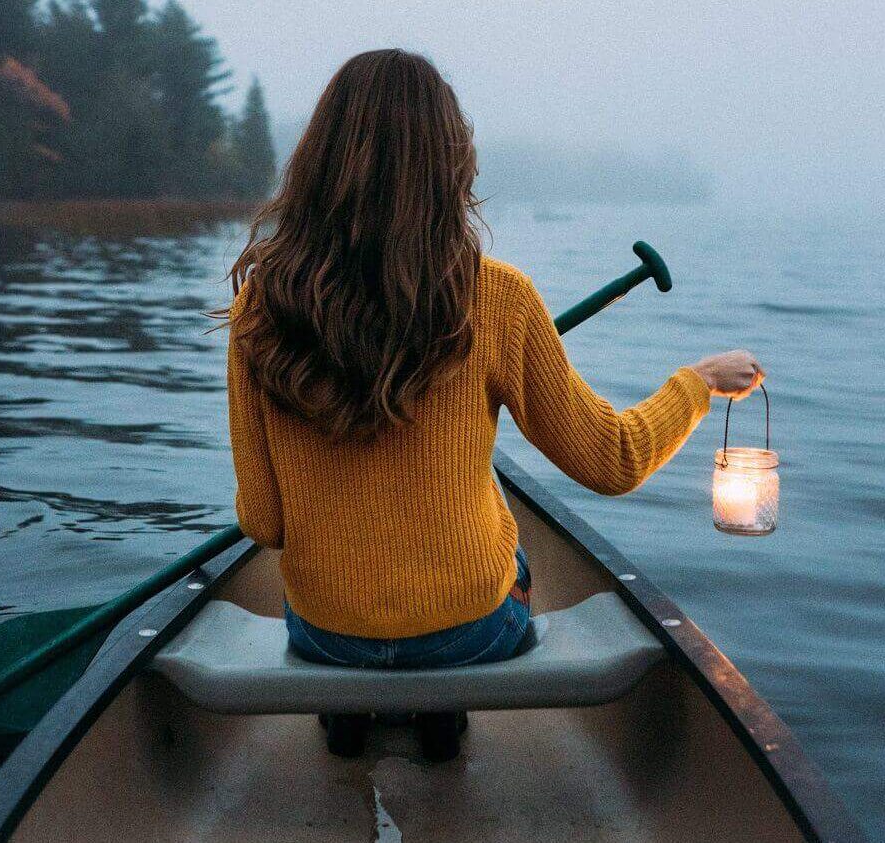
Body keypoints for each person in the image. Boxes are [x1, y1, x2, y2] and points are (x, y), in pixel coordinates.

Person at [224, 49, 764, 761]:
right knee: (512, 549)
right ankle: (443, 716)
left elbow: (263, 521)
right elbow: (613, 460)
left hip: (325, 631)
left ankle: (347, 713)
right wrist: (697, 382)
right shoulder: (498, 297)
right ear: (451, 166)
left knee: (339, 598)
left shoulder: (259, 307)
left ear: (319, 163)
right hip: (468, 631)